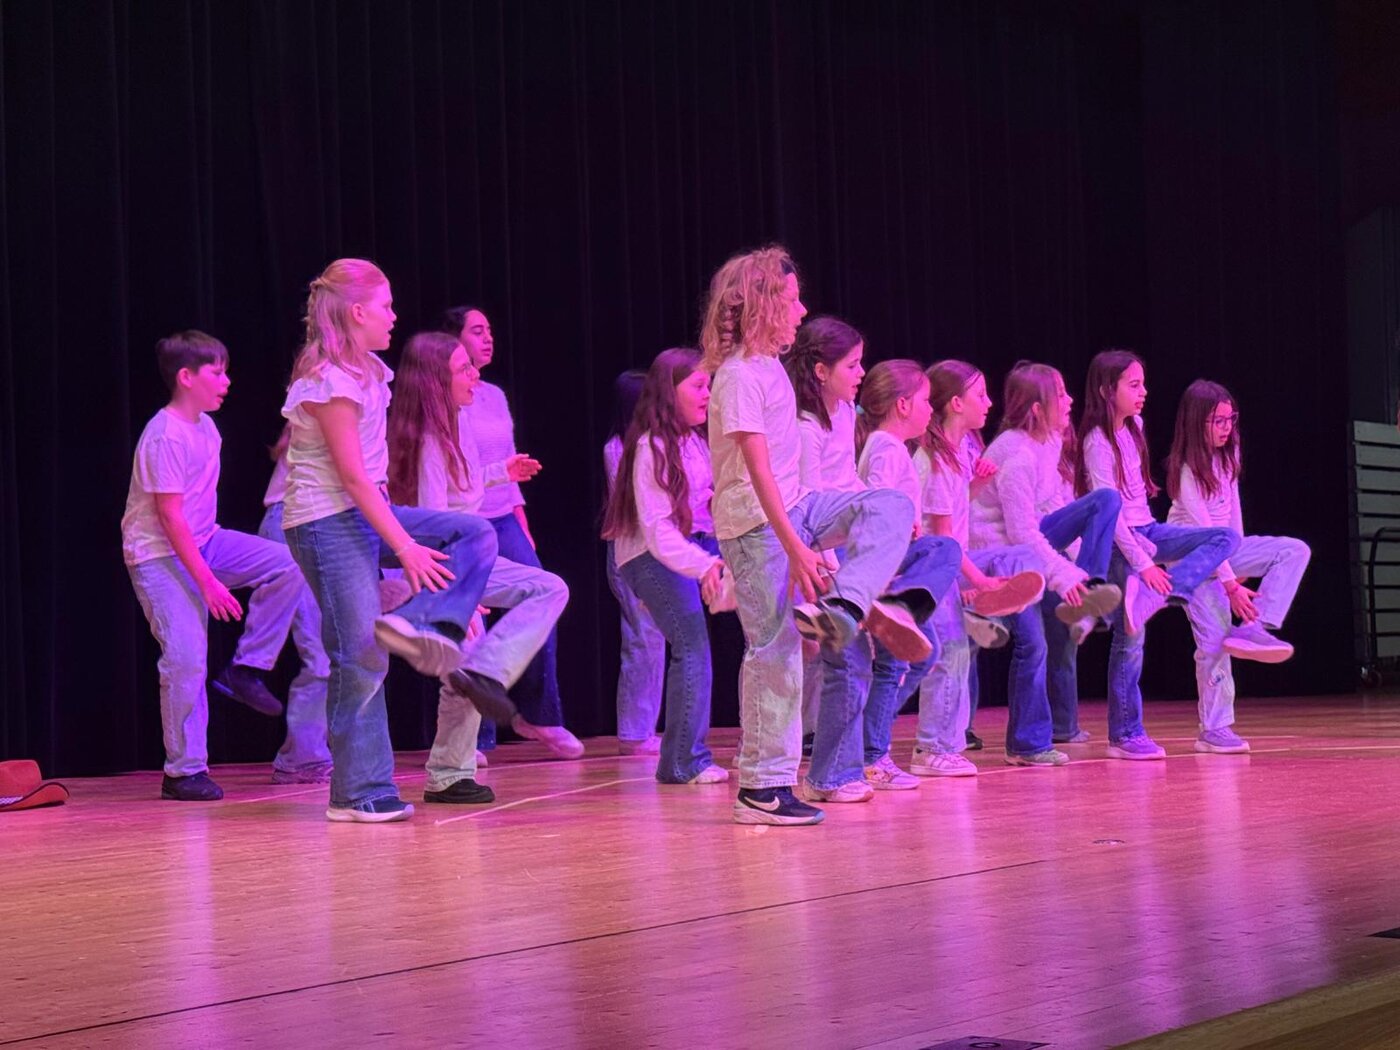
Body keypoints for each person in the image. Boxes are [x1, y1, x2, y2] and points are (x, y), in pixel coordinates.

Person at [702, 246, 925, 825]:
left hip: (798, 509)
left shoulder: (769, 368)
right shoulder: (738, 377)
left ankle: (848, 603)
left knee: (891, 503)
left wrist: (815, 543)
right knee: (774, 650)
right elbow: (757, 472)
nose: (801, 311)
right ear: (762, 304)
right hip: (757, 525)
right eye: (792, 299)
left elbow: (791, 476)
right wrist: (798, 546)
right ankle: (762, 788)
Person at [280, 260, 497, 823]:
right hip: (326, 521)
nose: (394, 316)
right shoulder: (329, 379)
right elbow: (352, 477)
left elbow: (369, 481)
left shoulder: (369, 371)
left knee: (473, 531)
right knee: (360, 654)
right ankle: (358, 792)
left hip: (362, 512)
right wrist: (404, 547)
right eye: (386, 306)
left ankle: (430, 621)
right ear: (357, 312)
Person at [122, 330, 326, 800]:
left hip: (205, 541)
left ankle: (247, 667)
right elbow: (169, 517)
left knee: (289, 562)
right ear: (186, 377)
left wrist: (211, 567)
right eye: (217, 373)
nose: (226, 381)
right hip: (159, 555)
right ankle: (183, 771)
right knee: (186, 658)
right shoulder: (165, 435)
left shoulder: (207, 429)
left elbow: (194, 519)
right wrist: (209, 583)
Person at [387, 330, 570, 802]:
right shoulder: (430, 441)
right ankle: (450, 773)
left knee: (550, 588)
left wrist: (499, 473)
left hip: (471, 560)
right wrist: (458, 601)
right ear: (437, 382)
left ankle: (487, 675)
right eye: (463, 369)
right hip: (447, 566)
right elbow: (434, 524)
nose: (474, 375)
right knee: (461, 655)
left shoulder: (458, 423)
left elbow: (461, 491)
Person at [1076, 349, 1238, 760]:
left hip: (1147, 530)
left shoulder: (1135, 427)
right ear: (1106, 390)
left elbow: (1137, 506)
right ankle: (1125, 733)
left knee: (1222, 538)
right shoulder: (1097, 443)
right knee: (1130, 638)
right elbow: (1113, 517)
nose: (1143, 392)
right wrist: (1145, 564)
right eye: (1134, 385)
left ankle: (1165, 594)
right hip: (1122, 542)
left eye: (1143, 384)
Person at [442, 305, 578, 755]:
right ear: (453, 340)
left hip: (503, 516)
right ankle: (475, 737)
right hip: (467, 519)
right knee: (471, 620)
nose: (488, 338)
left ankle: (538, 715)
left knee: (543, 596)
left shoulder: (495, 395)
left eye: (490, 331)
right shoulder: (445, 398)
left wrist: (521, 521)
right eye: (477, 331)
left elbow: (510, 461)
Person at [970, 362, 1124, 754]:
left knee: (1105, 500)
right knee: (1032, 643)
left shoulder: (1048, 441)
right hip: (1000, 554)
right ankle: (1027, 744)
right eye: (1060, 394)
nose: (1070, 400)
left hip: (1028, 543)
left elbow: (1053, 507)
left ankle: (1091, 591)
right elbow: (1021, 534)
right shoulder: (1018, 456)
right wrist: (1063, 576)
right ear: (1037, 409)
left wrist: (1076, 572)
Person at [911, 360, 1045, 777]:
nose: (989, 403)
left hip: (946, 563)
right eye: (980, 395)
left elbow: (951, 514)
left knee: (953, 651)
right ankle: (932, 748)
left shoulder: (956, 455)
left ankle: (945, 745)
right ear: (956, 403)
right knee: (947, 654)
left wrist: (977, 487)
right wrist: (979, 579)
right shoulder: (936, 459)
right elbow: (943, 539)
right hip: (931, 569)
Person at [603, 348, 729, 785]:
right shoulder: (650, 447)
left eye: (709, 385)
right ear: (669, 391)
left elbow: (705, 510)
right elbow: (658, 532)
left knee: (696, 645)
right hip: (648, 557)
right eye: (698, 386)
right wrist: (704, 564)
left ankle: (684, 758)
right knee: (691, 646)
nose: (707, 394)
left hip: (684, 549)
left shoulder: (695, 442)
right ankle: (682, 761)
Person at [1166, 379, 1310, 753]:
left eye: (1231, 419)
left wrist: (1238, 560)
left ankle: (1256, 625)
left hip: (1222, 553)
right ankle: (1214, 729)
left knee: (1294, 550)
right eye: (1218, 421)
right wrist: (1230, 584)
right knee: (1214, 642)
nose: (1227, 427)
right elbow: (1204, 531)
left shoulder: (1228, 456)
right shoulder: (1185, 469)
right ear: (1196, 422)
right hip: (1192, 561)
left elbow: (1233, 518)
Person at [603, 369, 666, 755]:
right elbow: (637, 505)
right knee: (642, 638)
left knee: (652, 637)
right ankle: (634, 731)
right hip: (631, 553)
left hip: (653, 551)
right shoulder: (618, 449)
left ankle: (643, 728)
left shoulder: (653, 444)